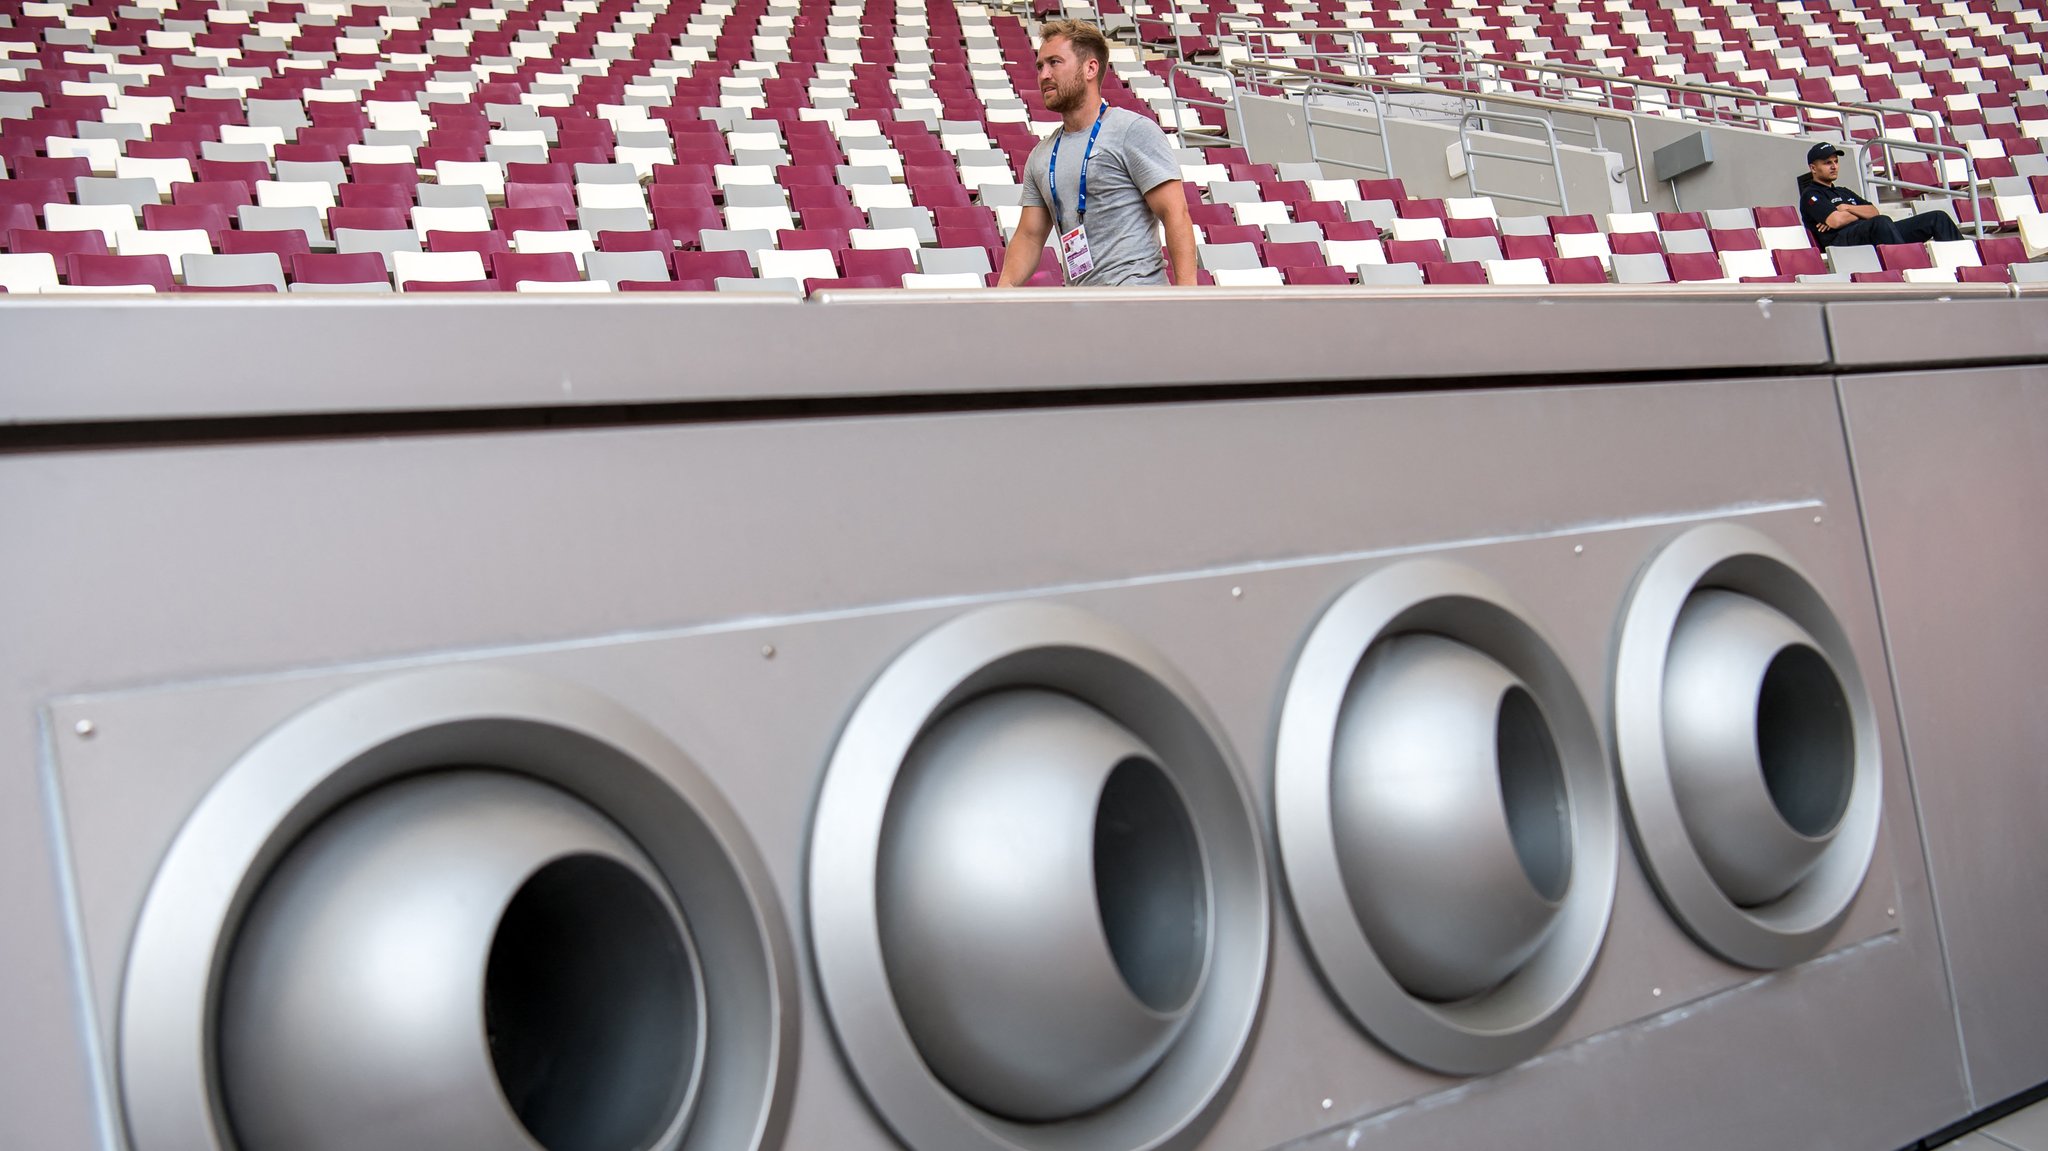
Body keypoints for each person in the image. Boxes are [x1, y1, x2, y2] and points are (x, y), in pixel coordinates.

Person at [996, 19, 1197, 287]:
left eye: (1055, 62)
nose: (1044, 75)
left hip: (1138, 302)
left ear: (1090, 68)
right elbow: (1030, 236)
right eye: (1040, 66)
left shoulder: (1133, 131)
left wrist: (1188, 301)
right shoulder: (1041, 156)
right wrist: (1001, 294)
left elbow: (1176, 214)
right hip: (1083, 309)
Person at [1798, 142, 1962, 249]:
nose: (1834, 166)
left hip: (1873, 231)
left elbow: (1873, 211)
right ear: (1813, 168)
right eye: (1828, 163)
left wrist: (1846, 208)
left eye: (1835, 161)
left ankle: (1965, 267)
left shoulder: (1843, 191)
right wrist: (1856, 213)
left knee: (1937, 218)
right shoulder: (1811, 194)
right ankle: (1909, 264)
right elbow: (1836, 221)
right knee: (1882, 222)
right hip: (1842, 242)